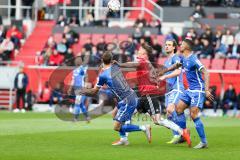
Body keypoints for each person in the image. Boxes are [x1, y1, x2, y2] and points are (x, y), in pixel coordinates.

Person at [114, 43, 191, 147]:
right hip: (142, 96)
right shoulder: (148, 63)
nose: (138, 50)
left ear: (145, 53)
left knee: (158, 120)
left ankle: (182, 132)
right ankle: (125, 138)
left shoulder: (143, 62)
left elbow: (132, 64)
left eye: (140, 49)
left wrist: (120, 64)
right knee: (126, 115)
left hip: (149, 96)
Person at [76, 51, 152, 145]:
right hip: (127, 97)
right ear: (112, 60)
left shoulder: (103, 76)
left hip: (127, 100)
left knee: (116, 127)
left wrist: (81, 91)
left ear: (102, 60)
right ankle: (123, 139)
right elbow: (115, 66)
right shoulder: (116, 67)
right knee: (114, 113)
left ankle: (144, 128)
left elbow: (94, 91)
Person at [173, 39, 214, 149]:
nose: (180, 45)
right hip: (190, 89)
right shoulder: (184, 58)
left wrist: (206, 90)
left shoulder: (193, 59)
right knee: (178, 109)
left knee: (193, 114)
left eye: (182, 44)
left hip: (198, 90)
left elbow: (206, 72)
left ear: (187, 47)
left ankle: (203, 142)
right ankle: (184, 134)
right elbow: (176, 65)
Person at [159, 39, 186, 144]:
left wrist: (165, 76)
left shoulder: (176, 58)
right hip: (168, 91)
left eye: (169, 45)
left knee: (170, 109)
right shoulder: (166, 61)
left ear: (174, 47)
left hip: (177, 88)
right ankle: (180, 134)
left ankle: (180, 134)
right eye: (166, 45)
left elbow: (178, 71)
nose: (167, 46)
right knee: (171, 114)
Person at [68, 56, 90, 122]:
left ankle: (75, 118)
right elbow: (73, 80)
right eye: (76, 60)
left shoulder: (82, 69)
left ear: (80, 61)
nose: (76, 61)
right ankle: (87, 117)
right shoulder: (74, 70)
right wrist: (70, 88)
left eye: (78, 60)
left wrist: (85, 85)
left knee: (77, 103)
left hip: (81, 88)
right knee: (81, 104)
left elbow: (86, 76)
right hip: (76, 89)